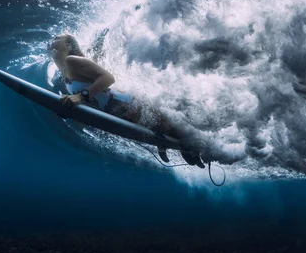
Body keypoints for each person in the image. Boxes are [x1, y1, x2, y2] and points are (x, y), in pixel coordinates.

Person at [47, 34, 205, 168]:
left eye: (56, 38)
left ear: (68, 45)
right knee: (176, 141)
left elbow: (108, 78)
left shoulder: (71, 61)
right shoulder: (64, 73)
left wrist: (80, 97)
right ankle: (193, 148)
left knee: (184, 140)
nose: (51, 41)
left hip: (125, 104)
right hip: (117, 113)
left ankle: (213, 150)